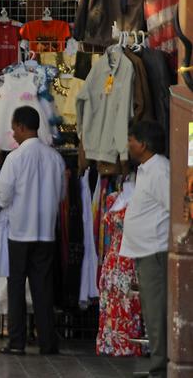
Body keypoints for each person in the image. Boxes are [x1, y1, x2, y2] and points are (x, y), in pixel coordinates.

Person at [0, 106, 65, 356]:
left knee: (16, 286)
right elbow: (61, 194)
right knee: (43, 288)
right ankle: (48, 342)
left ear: (22, 127)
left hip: (19, 231)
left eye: (14, 128)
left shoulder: (14, 158)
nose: (12, 133)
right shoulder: (55, 158)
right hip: (45, 232)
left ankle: (17, 341)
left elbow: (3, 195)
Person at [121, 121, 170, 377]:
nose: (128, 144)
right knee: (152, 311)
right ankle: (158, 364)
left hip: (155, 252)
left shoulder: (160, 170)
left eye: (131, 139)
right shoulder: (146, 170)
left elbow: (174, 208)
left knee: (157, 311)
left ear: (143, 143)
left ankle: (160, 367)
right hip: (145, 251)